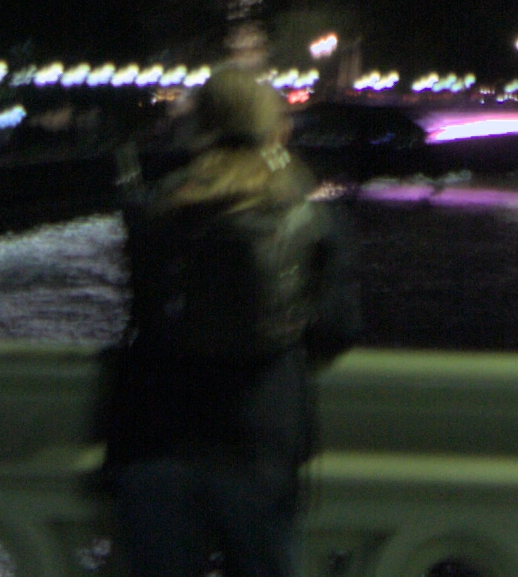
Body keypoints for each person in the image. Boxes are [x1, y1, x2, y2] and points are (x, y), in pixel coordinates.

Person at [100, 67, 361, 577]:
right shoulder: (307, 214)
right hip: (260, 441)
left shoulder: (161, 206)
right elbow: (338, 330)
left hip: (159, 436)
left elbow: (145, 312)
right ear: (276, 129)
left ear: (197, 126)